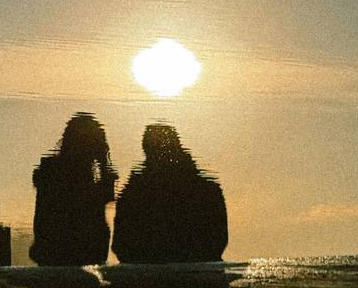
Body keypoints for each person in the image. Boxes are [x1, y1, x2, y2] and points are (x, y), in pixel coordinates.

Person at [112, 125, 228, 263]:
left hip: (146, 271)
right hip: (199, 270)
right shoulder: (209, 189)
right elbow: (218, 242)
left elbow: (120, 247)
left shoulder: (131, 194)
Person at [30, 113, 118, 266]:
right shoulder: (71, 177)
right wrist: (104, 164)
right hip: (74, 255)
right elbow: (99, 207)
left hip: (52, 256)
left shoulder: (52, 172)